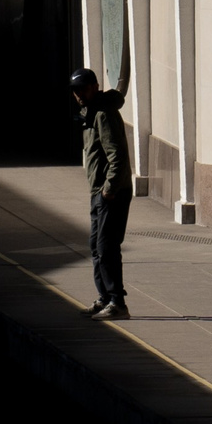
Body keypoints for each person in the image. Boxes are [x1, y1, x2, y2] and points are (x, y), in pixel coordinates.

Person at [70, 66, 131, 320]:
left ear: (95, 87)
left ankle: (117, 302)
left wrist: (108, 190)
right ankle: (105, 297)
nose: (79, 95)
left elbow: (117, 156)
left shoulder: (103, 114)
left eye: (83, 89)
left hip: (111, 192)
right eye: (76, 91)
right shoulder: (90, 113)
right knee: (96, 246)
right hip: (99, 191)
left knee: (107, 247)